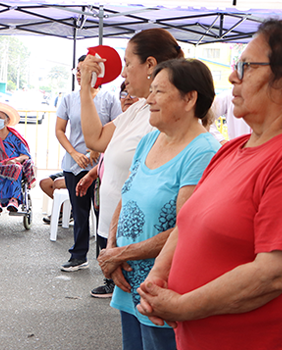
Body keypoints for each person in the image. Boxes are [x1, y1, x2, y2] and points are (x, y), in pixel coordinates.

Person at [136, 20, 282, 350]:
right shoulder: (231, 149)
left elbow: (275, 273)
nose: (232, 76)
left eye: (246, 66)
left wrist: (182, 307)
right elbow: (188, 224)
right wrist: (158, 276)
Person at [96, 58, 220, 350]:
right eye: (149, 90)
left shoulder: (203, 151)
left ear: (190, 98)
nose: (148, 99)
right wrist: (113, 250)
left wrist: (120, 253)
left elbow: (185, 228)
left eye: (158, 92)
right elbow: (127, 195)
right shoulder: (150, 139)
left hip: (163, 288)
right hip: (129, 280)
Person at [79, 29, 184, 297]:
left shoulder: (162, 119)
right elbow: (96, 138)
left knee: (146, 317)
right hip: (118, 233)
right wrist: (85, 91)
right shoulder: (138, 109)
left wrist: (121, 248)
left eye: (127, 63)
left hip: (143, 239)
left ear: (150, 65)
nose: (123, 73)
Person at [57, 54, 122, 272]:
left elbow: (118, 127)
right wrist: (74, 153)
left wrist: (97, 147)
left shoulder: (109, 98)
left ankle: (105, 258)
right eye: (77, 70)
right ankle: (78, 255)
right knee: (80, 212)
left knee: (103, 213)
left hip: (101, 165)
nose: (79, 74)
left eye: (83, 69)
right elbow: (60, 131)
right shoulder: (68, 98)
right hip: (74, 165)